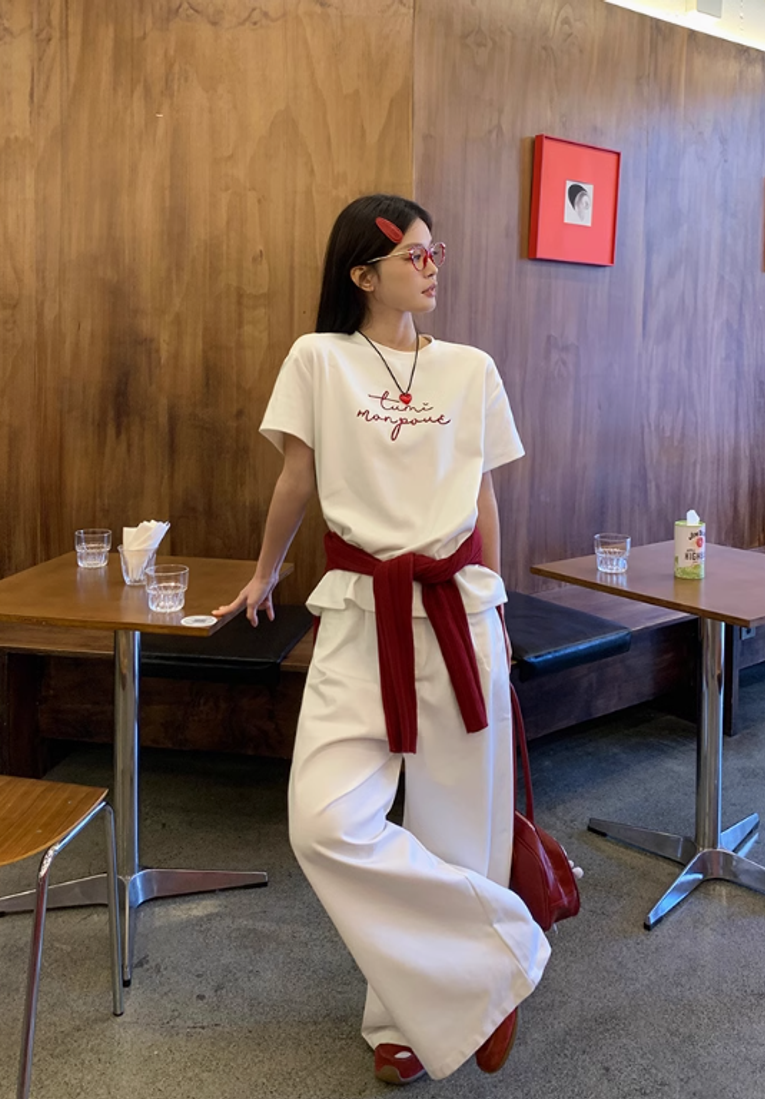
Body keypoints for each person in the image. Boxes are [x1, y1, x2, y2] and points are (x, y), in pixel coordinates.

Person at [213, 194, 551, 1085]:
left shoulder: (471, 368)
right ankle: (496, 955)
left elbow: (482, 496)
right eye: (415, 255)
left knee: (458, 827)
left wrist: (496, 603)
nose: (433, 267)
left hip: (457, 614)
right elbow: (297, 476)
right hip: (362, 614)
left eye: (438, 252)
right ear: (364, 273)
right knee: (323, 821)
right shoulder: (318, 359)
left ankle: (407, 1018)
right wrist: (264, 572)